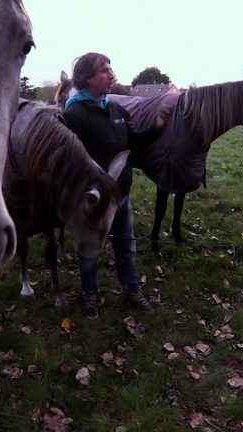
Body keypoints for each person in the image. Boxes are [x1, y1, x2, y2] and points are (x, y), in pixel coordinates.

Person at [62, 52, 169, 319]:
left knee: (127, 247)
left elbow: (133, 141)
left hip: (121, 197)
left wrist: (157, 128)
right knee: (90, 252)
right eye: (104, 70)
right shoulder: (74, 115)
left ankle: (131, 289)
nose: (112, 75)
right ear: (87, 78)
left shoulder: (117, 110)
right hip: (93, 203)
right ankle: (89, 294)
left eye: (111, 69)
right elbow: (69, 164)